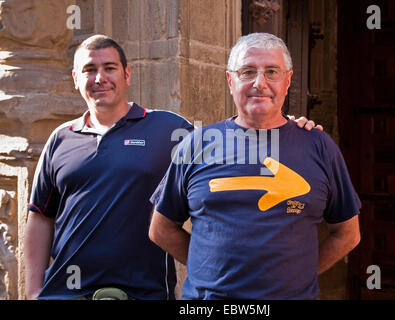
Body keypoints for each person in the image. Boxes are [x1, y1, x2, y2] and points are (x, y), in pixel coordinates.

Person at [24, 34, 320, 300]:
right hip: (64, 293)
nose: (100, 77)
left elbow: (237, 146)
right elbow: (40, 216)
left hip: (145, 292)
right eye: (89, 70)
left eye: (109, 68)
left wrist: (285, 128)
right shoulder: (60, 139)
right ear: (76, 78)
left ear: (127, 74)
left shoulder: (169, 128)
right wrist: (34, 290)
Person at [149, 33, 361, 300]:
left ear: (288, 80)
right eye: (247, 71)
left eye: (272, 72)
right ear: (230, 81)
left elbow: (347, 234)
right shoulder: (197, 145)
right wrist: (209, 272)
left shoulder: (319, 146)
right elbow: (161, 228)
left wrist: (300, 276)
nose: (259, 83)